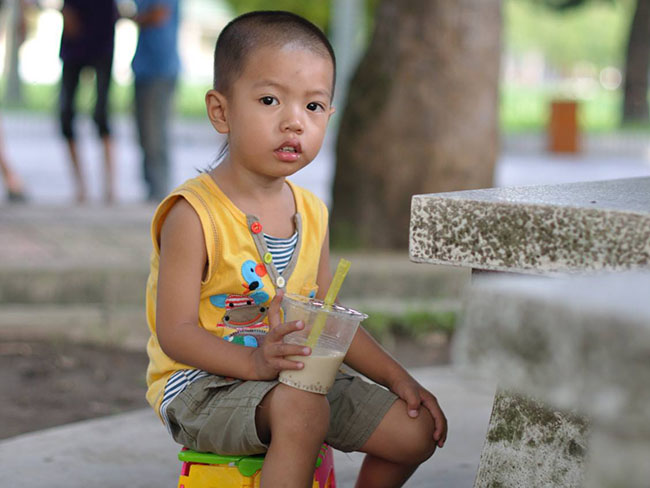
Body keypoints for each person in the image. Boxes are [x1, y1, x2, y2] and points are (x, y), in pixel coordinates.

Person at [145, 11, 447, 487]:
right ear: (221, 111)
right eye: (269, 100)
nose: (293, 122)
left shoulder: (312, 212)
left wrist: (397, 378)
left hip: (293, 374)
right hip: (202, 384)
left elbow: (329, 319)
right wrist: (252, 362)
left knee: (416, 430)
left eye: (313, 106)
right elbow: (176, 334)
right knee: (304, 409)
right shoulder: (194, 214)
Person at [58, 0, 118, 203]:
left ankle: (110, 187)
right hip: (75, 42)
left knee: (101, 113)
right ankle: (80, 187)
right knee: (66, 114)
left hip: (101, 39)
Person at [131, 0, 180, 203]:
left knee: (155, 133)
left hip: (161, 69)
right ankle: (152, 187)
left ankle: (159, 190)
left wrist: (133, 18)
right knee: (144, 133)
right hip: (143, 68)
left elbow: (159, 14)